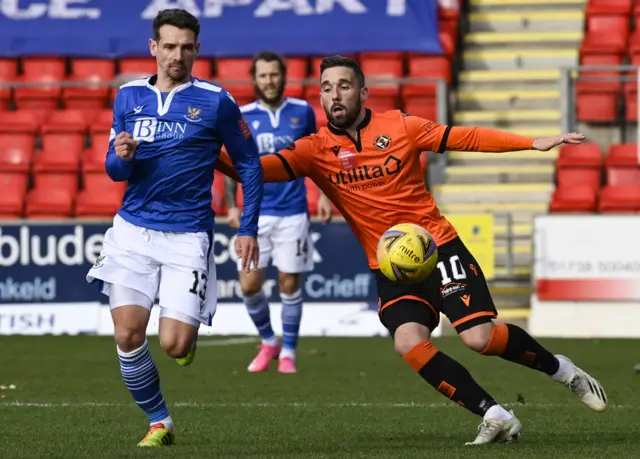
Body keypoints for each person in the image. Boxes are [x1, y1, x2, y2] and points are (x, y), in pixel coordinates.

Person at [215, 55, 608, 446]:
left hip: (438, 248)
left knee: (479, 339)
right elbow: (254, 169)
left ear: (363, 92)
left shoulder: (401, 127)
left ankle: (564, 371)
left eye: (344, 86)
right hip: (390, 267)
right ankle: (494, 414)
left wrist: (530, 143)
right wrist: (206, 151)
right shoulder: (314, 149)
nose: (335, 95)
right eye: (326, 88)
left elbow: (464, 137)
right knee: (408, 342)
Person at [86, 9, 263, 447]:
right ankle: (159, 420)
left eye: (186, 47)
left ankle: (186, 334)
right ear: (154, 48)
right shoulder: (127, 97)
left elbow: (248, 163)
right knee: (127, 334)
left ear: (197, 49)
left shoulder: (216, 100)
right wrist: (121, 156)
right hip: (133, 231)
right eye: (169, 46)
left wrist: (249, 227)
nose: (177, 55)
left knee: (175, 346)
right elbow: (113, 169)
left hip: (187, 235)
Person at [224, 51, 333, 374]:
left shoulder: (302, 112)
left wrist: (325, 195)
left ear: (282, 77)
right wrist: (231, 205)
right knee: (249, 285)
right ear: (254, 79)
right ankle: (268, 340)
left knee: (288, 284)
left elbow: (319, 157)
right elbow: (233, 165)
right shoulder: (242, 115)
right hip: (255, 215)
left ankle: (288, 351)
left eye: (274, 75)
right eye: (263, 76)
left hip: (293, 212)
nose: (269, 81)